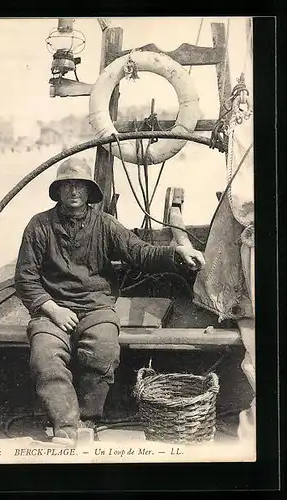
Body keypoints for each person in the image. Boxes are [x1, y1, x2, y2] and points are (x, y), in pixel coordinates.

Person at [14, 157, 205, 446]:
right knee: (45, 356)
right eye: (67, 185)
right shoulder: (39, 226)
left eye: (80, 185)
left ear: (90, 191)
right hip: (51, 310)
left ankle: (88, 419)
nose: (74, 191)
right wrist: (52, 309)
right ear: (58, 191)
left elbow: (140, 253)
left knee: (102, 351)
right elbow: (25, 278)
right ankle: (65, 426)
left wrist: (177, 252)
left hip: (96, 308)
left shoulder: (105, 224)